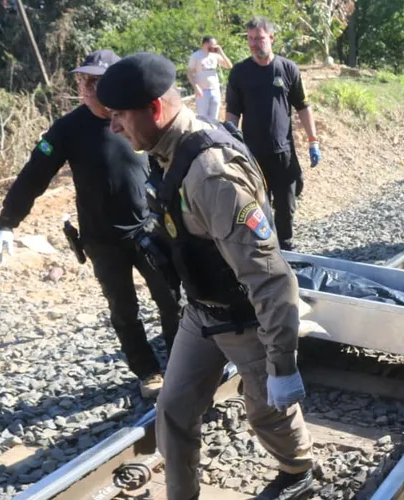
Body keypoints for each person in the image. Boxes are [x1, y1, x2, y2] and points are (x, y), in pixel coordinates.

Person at [96, 52, 315, 500]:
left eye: (119, 115)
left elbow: (270, 277)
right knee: (173, 411)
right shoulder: (166, 149)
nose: (113, 126)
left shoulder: (211, 174)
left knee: (268, 414)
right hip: (202, 313)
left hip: (246, 317)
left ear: (155, 109)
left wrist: (283, 365)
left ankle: (299, 470)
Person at [0, 49, 181, 399]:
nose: (86, 88)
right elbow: (34, 175)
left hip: (148, 230)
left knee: (172, 300)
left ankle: (182, 366)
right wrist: (7, 223)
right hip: (102, 239)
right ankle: (148, 372)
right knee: (123, 311)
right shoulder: (68, 129)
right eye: (82, 81)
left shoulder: (139, 116)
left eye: (94, 81)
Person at [226, 16, 321, 252]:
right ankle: (265, 252)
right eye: (250, 39)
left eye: (258, 38)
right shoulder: (239, 73)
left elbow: (303, 107)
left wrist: (313, 141)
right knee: (257, 208)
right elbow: (231, 115)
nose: (253, 44)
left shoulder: (288, 69)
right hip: (252, 155)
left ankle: (287, 250)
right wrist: (229, 146)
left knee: (287, 207)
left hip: (283, 153)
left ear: (271, 38)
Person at [187, 35, 232, 121]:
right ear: (205, 44)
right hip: (202, 91)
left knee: (214, 119)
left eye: (215, 44)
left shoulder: (214, 55)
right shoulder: (196, 56)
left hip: (214, 89)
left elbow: (229, 65)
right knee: (203, 118)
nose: (214, 46)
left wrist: (221, 52)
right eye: (212, 44)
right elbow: (189, 73)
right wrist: (196, 87)